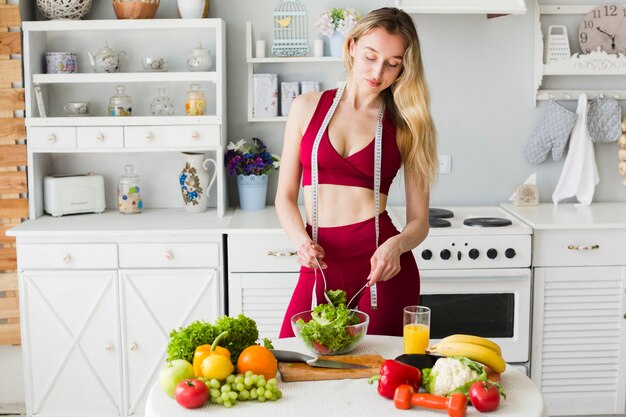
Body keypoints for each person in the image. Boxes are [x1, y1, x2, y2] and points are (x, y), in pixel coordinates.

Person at [275, 7, 437, 337]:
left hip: (381, 266)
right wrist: (301, 243)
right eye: (370, 56)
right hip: (319, 260)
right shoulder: (305, 107)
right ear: (351, 47)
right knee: (289, 362)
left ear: (404, 67)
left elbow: (420, 223)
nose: (378, 71)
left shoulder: (408, 124)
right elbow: (285, 197)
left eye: (392, 63)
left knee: (376, 375)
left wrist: (398, 246)